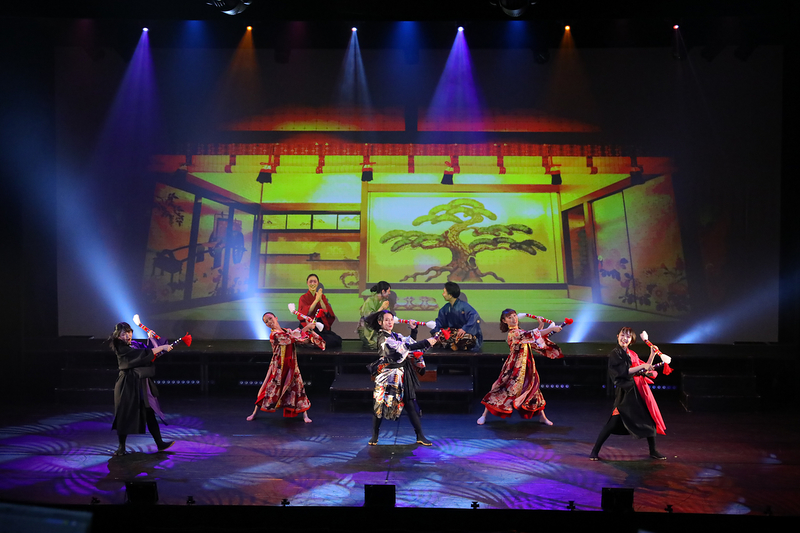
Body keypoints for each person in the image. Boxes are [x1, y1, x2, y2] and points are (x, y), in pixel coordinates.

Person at [589, 327, 667, 460]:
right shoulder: (615, 353)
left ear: (631, 340)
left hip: (638, 391)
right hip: (625, 392)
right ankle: (595, 451)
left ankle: (653, 451)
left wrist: (652, 354)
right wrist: (642, 367)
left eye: (628, 337)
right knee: (613, 423)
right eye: (622, 335)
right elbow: (624, 371)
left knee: (649, 419)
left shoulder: (633, 354)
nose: (624, 338)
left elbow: (645, 369)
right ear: (617, 336)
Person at [477, 309, 563, 426]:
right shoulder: (513, 333)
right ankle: (484, 415)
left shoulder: (521, 331)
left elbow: (534, 338)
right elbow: (530, 335)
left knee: (534, 390)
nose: (514, 319)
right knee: (500, 387)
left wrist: (541, 327)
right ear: (504, 321)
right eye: (509, 317)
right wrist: (551, 329)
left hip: (527, 365)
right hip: (514, 367)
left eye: (514, 315)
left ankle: (542, 417)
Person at [368, 310, 438, 446]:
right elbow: (405, 347)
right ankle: (375, 435)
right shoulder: (384, 339)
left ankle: (420, 435)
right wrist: (426, 342)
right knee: (379, 404)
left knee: (410, 403)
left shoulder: (395, 335)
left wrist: (414, 330)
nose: (390, 322)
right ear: (380, 322)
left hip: (401, 374)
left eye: (391, 319)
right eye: (386, 320)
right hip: (387, 375)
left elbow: (409, 342)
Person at [109, 322, 174, 456]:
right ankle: (121, 447)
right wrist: (162, 347)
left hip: (141, 383)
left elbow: (150, 353)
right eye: (123, 334)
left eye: (129, 332)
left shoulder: (135, 344)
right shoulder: (121, 348)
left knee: (149, 412)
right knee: (124, 413)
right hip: (127, 383)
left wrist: (151, 338)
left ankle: (159, 443)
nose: (127, 336)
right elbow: (143, 354)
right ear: (118, 336)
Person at [247, 311, 325, 423]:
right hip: (278, 368)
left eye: (270, 318)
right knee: (268, 390)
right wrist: (307, 327)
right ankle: (254, 413)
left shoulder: (286, 331)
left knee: (298, 389)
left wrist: (309, 333)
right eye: (266, 321)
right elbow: (291, 338)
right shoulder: (274, 335)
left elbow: (297, 337)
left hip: (291, 365)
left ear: (276, 318)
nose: (269, 322)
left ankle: (305, 415)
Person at [432, 281, 483, 351]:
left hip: (464, 333)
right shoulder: (446, 308)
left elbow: (474, 317)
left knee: (467, 338)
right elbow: (440, 322)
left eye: (444, 292)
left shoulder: (464, 306)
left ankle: (455, 344)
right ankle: (453, 344)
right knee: (436, 338)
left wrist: (464, 329)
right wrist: (437, 332)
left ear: (450, 295)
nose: (442, 294)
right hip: (453, 334)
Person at [298, 273, 342, 349]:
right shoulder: (303, 298)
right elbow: (307, 313)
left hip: (320, 326)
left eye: (314, 281)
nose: (312, 283)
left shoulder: (322, 296)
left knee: (337, 340)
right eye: (310, 281)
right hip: (309, 326)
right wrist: (316, 301)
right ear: (307, 283)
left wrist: (320, 299)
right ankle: (312, 342)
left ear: (317, 283)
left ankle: (314, 343)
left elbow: (326, 311)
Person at [358, 281, 392, 349]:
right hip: (368, 331)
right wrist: (382, 308)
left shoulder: (383, 301)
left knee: (389, 343)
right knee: (382, 345)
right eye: (388, 291)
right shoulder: (370, 300)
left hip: (377, 330)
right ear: (383, 291)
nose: (389, 293)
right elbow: (369, 317)